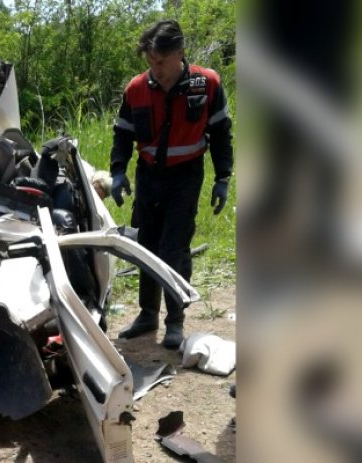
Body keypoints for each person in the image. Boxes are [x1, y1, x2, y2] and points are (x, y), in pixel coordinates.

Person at [109, 19, 233, 349]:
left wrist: (223, 178)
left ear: (179, 53)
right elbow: (122, 133)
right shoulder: (136, 89)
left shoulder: (206, 84)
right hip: (148, 176)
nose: (155, 70)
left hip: (185, 177)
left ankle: (175, 322)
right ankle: (147, 315)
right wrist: (118, 171)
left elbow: (220, 134)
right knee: (146, 247)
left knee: (173, 250)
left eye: (160, 62)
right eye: (150, 62)